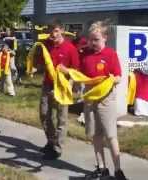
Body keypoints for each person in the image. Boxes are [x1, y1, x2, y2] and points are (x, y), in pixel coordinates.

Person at [79, 20, 127, 180]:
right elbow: (78, 73)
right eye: (91, 39)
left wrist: (113, 79)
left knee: (111, 135)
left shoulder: (111, 54)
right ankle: (101, 168)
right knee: (95, 135)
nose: (93, 43)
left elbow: (119, 76)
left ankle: (118, 170)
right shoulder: (85, 53)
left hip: (106, 100)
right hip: (90, 99)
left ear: (105, 38)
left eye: (96, 39)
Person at [37, 20, 80, 160]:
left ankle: (57, 147)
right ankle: (51, 141)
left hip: (62, 87)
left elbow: (75, 70)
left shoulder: (70, 48)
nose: (52, 34)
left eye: (55, 31)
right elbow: (41, 63)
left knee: (61, 119)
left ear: (62, 30)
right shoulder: (46, 46)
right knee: (44, 115)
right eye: (50, 31)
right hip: (47, 85)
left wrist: (69, 83)